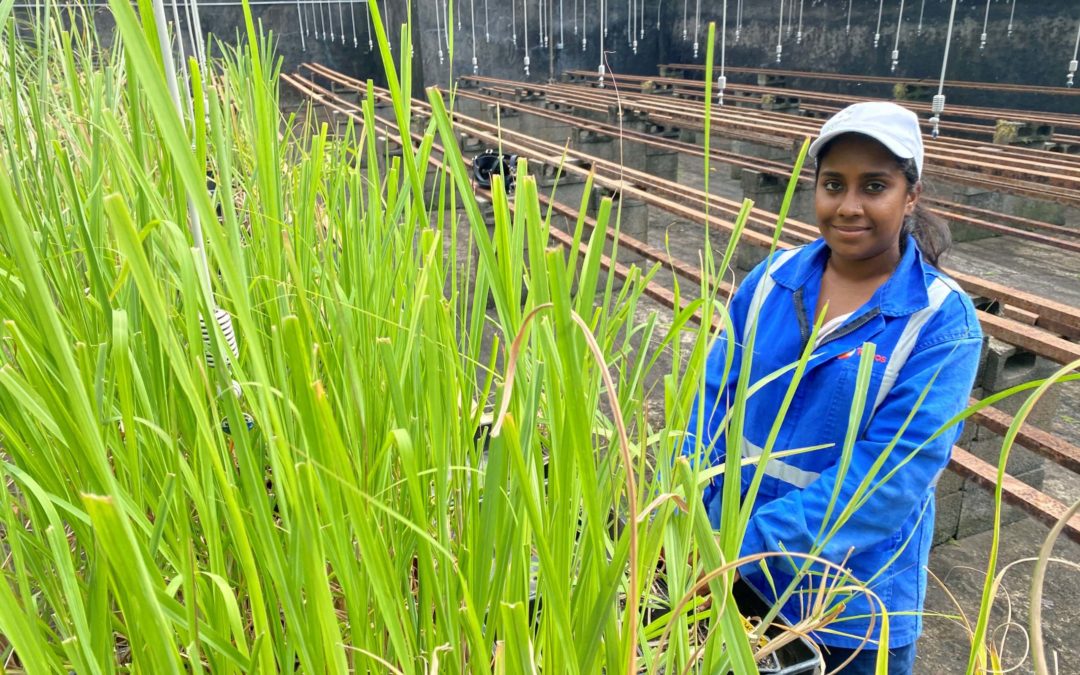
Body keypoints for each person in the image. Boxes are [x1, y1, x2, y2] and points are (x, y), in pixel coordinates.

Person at [684, 101, 983, 673]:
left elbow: (888, 479)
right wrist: (686, 510)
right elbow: (712, 403)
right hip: (728, 569)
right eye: (833, 184)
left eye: (874, 186)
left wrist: (747, 550)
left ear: (910, 195)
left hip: (850, 605)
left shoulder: (940, 323)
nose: (849, 207)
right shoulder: (771, 280)